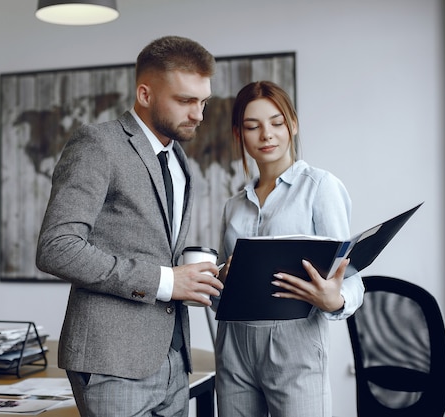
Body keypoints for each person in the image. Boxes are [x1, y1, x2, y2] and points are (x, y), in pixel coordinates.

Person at [36, 35, 223, 417]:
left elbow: (152, 246)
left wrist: (200, 275)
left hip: (173, 357)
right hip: (111, 360)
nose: (198, 115)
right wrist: (167, 282)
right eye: (186, 101)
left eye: (203, 102)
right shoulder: (97, 144)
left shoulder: (178, 158)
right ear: (145, 93)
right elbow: (57, 247)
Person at [213, 80, 365, 417]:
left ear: (292, 125)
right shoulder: (233, 206)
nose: (266, 135)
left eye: (277, 123)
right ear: (239, 135)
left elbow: (352, 277)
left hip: (295, 344)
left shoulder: (320, 188)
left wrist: (335, 299)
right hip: (233, 345)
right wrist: (221, 275)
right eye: (253, 126)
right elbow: (218, 294)